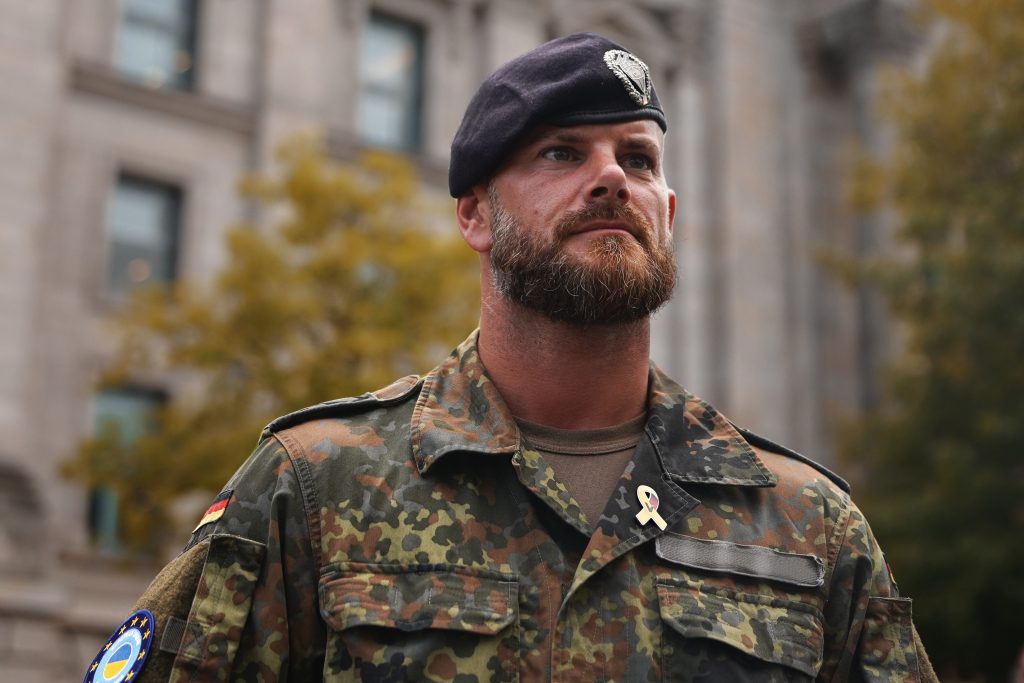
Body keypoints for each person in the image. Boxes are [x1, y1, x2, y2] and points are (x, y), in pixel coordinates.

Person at [83, 33, 938, 683]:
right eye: (562, 153)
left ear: (669, 213)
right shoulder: (313, 488)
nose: (611, 178)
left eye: (637, 159)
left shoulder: (809, 524)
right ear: (475, 216)